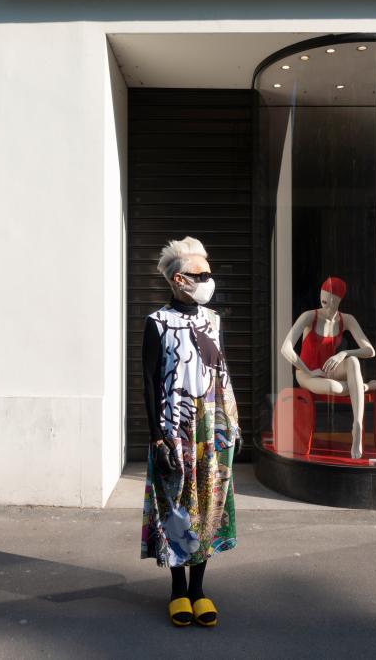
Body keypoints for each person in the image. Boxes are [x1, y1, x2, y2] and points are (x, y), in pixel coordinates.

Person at [140, 236, 242, 627]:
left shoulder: (213, 320)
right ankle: (177, 591)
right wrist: (155, 435)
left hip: (212, 428)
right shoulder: (156, 322)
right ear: (179, 279)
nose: (209, 279)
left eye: (209, 272)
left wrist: (230, 425)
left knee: (208, 505)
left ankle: (199, 591)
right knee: (177, 507)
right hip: (173, 428)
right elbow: (149, 381)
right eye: (202, 274)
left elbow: (221, 374)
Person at [280, 277, 376, 460]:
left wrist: (344, 353)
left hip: (329, 370)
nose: (326, 305)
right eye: (324, 300)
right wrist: (308, 371)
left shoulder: (346, 319)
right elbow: (285, 348)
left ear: (339, 300)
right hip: (307, 374)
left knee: (353, 361)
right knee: (335, 387)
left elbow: (370, 350)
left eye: (331, 301)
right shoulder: (310, 316)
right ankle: (364, 387)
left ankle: (357, 423)